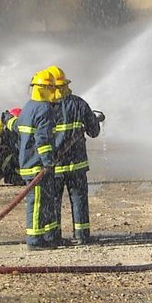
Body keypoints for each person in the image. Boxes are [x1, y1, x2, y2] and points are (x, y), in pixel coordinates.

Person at [46, 65, 103, 245]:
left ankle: (54, 236)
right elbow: (94, 132)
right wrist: (94, 121)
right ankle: (82, 235)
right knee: (79, 200)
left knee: (53, 202)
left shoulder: (45, 107)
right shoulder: (79, 104)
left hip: (53, 166)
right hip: (77, 165)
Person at [15, 70, 61, 249]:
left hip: (28, 161)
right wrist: (48, 161)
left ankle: (48, 236)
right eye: (51, 88)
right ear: (44, 88)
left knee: (46, 202)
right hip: (37, 164)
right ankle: (34, 240)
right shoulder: (44, 109)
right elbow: (43, 140)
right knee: (37, 203)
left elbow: (18, 128)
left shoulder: (28, 106)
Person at [0, 107, 23, 186]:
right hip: (17, 172)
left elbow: (4, 157)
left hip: (15, 173)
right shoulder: (19, 133)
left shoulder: (10, 135)